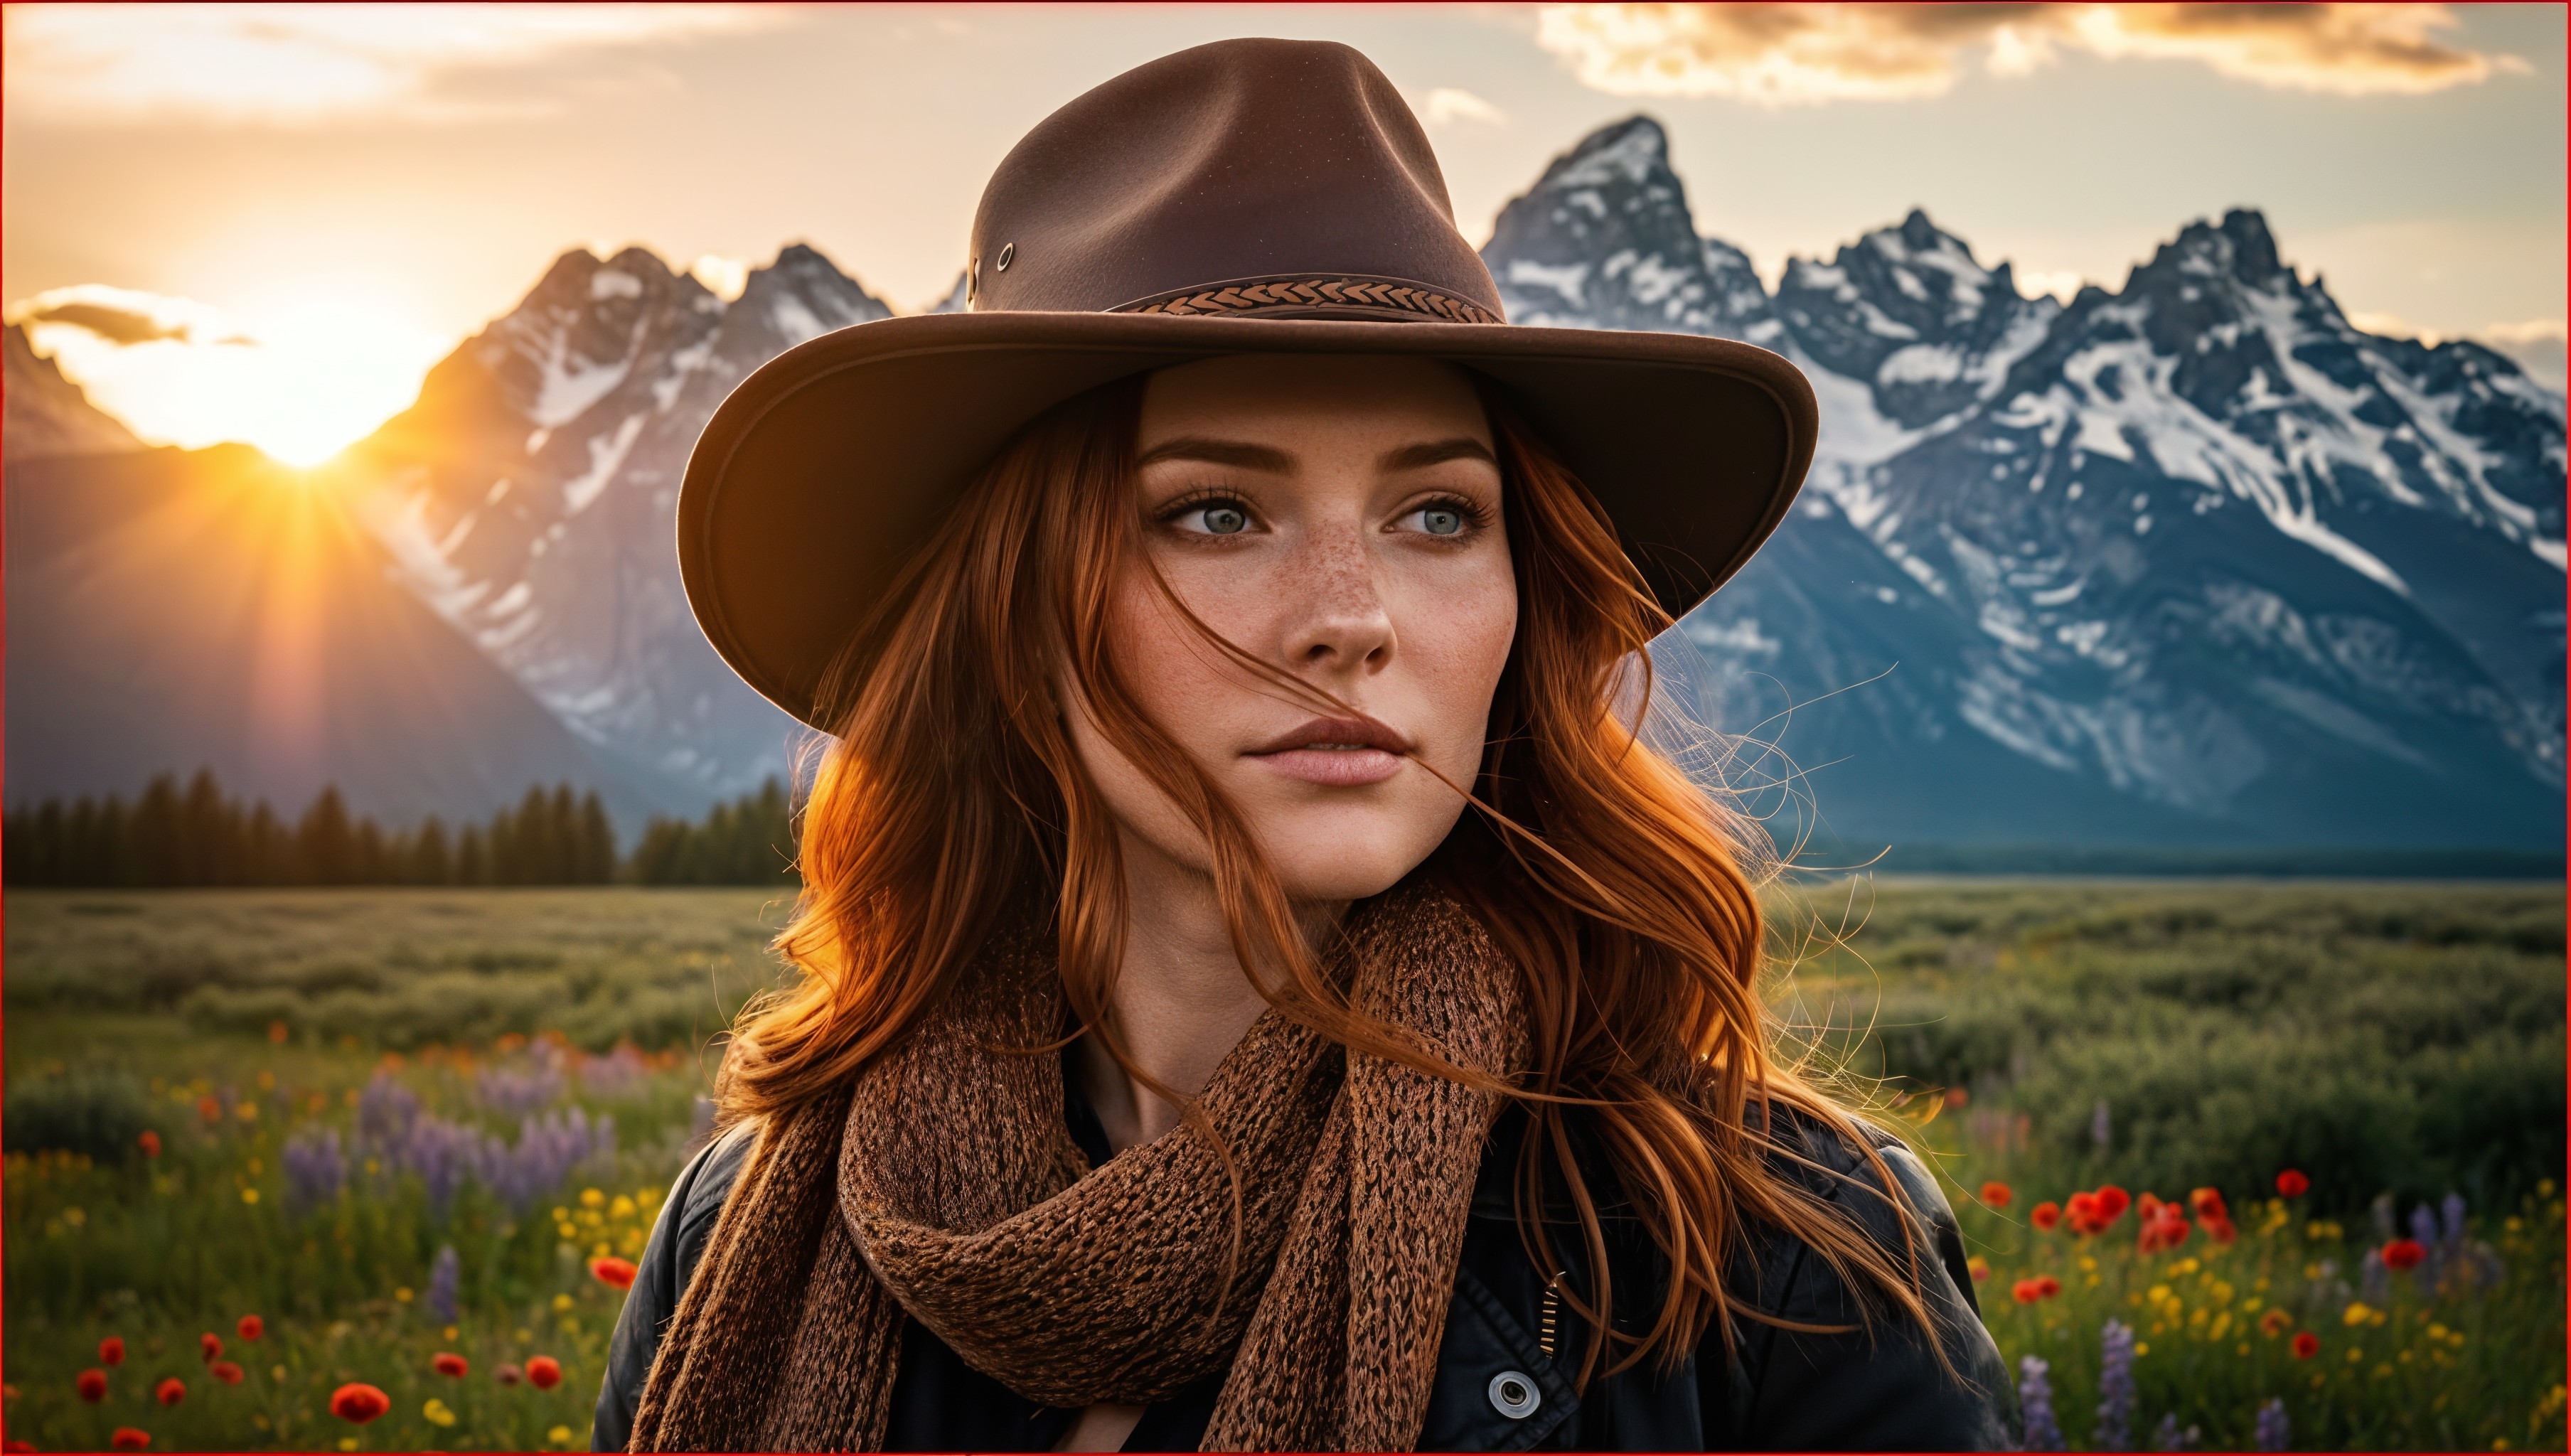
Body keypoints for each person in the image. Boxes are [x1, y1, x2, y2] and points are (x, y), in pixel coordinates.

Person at [595, 36, 2014, 1454]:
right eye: (1215, 510)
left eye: (1438, 516)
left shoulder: (1775, 1257)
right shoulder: (751, 1233)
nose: (1351, 619)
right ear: (1010, 616)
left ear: (1528, 606)